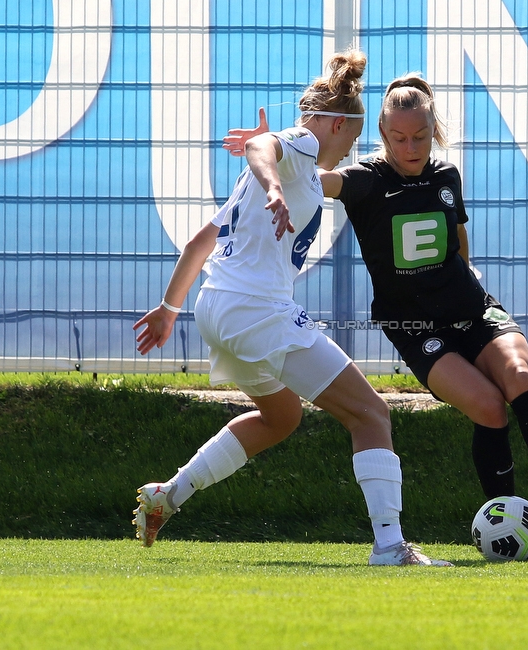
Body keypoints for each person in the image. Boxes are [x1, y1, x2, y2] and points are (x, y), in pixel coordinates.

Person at [132, 52, 452, 566]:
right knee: (371, 413)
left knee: (279, 418)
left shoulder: (285, 168)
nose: (351, 146)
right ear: (333, 122)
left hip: (215, 309)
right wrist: (274, 179)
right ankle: (390, 546)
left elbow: (200, 242)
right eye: (353, 134)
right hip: (257, 311)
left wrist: (170, 307)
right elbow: (263, 145)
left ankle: (167, 495)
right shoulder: (301, 145)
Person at [225, 75, 528, 532]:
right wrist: (269, 152)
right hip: (416, 326)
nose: (410, 147)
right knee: (489, 408)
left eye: (419, 137)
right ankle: (505, 519)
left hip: (472, 311)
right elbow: (315, 177)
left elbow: (458, 238)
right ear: (383, 135)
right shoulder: (365, 180)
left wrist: (466, 283)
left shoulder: (446, 176)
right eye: (398, 138)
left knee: (517, 375)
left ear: (433, 133)